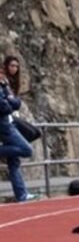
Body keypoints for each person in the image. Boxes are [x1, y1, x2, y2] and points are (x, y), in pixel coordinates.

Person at [0, 61, 33, 203]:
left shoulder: (4, 85)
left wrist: (9, 97)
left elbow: (16, 104)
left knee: (14, 162)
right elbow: (6, 108)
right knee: (26, 150)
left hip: (8, 122)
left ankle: (21, 194)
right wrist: (10, 101)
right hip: (4, 125)